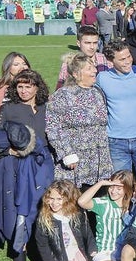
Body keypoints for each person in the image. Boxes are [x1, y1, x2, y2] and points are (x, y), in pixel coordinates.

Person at [0, 68, 53, 261]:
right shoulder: (9, 109)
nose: (24, 91)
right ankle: (20, 248)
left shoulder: (47, 106)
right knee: (21, 206)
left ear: (37, 87)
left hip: (44, 163)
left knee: (45, 203)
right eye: (20, 87)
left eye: (28, 86)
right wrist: (9, 150)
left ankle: (41, 243)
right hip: (19, 166)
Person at [22, 180, 95, 261]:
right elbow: (43, 246)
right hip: (57, 257)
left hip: (74, 253)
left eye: (59, 199)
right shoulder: (44, 218)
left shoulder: (77, 212)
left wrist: (92, 248)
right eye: (51, 198)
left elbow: (86, 231)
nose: (54, 203)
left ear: (68, 199)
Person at [46, 55, 112, 188]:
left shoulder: (97, 93)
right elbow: (52, 126)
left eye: (93, 66)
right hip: (75, 161)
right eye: (89, 68)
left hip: (99, 160)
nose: (95, 71)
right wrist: (67, 153)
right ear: (76, 74)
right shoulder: (62, 95)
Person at [98, 41, 136, 179]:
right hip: (116, 140)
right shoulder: (102, 78)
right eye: (122, 59)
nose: (128, 61)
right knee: (121, 183)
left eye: (128, 56)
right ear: (111, 60)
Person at [77, 171, 135, 261]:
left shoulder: (132, 206)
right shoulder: (103, 203)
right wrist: (101, 183)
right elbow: (82, 202)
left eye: (119, 187)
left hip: (126, 252)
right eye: (111, 186)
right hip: (107, 252)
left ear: (127, 189)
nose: (113, 191)